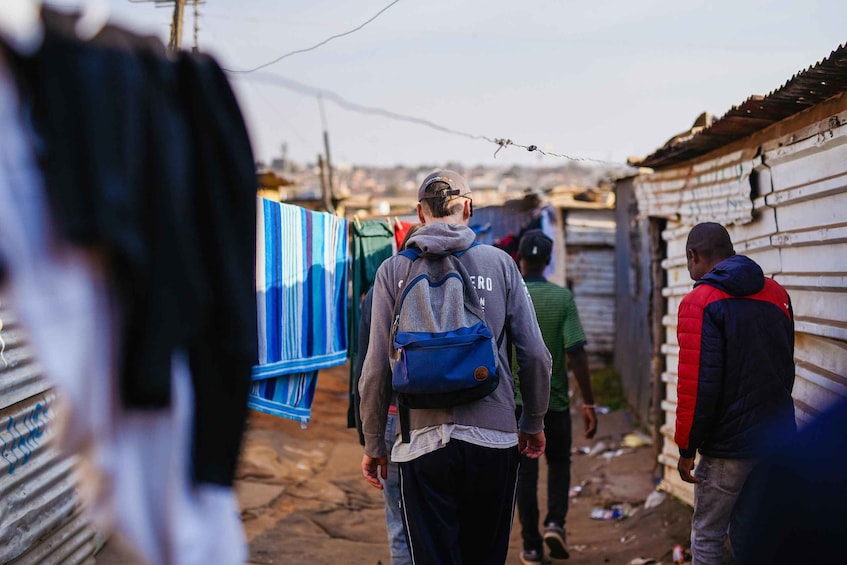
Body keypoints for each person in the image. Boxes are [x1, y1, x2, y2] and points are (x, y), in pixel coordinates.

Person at [358, 169, 552, 564]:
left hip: (421, 447)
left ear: (419, 212)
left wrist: (375, 443)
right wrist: (532, 420)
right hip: (493, 441)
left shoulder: (393, 271)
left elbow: (376, 369)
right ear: (468, 207)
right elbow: (535, 354)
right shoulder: (500, 264)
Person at [674, 222, 796, 564]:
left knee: (708, 536)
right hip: (777, 441)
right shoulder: (777, 293)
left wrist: (687, 447)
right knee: (752, 534)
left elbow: (697, 386)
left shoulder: (700, 301)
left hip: (727, 449)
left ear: (693, 255)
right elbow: (786, 368)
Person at [512, 229, 598, 564]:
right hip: (556, 401)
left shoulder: (510, 295)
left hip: (518, 405)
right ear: (548, 261)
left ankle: (531, 545)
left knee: (526, 472)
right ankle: (555, 524)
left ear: (520, 257)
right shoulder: (562, 299)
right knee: (559, 462)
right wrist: (589, 402)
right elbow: (576, 351)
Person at [353, 224, 423, 565]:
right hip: (450, 420)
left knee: (399, 524)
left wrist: (370, 440)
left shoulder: (384, 285)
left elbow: (370, 370)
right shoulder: (459, 283)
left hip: (396, 419)